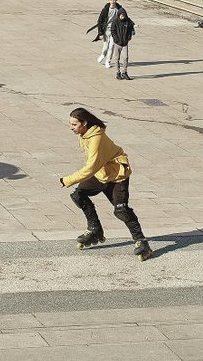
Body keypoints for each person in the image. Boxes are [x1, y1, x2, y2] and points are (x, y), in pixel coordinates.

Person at [60, 107, 153, 261]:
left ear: (84, 122)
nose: (72, 128)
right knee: (79, 195)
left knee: (121, 210)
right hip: (101, 173)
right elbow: (94, 165)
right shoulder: (84, 134)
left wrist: (68, 180)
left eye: (74, 125)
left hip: (117, 176)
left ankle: (142, 242)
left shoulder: (96, 137)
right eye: (71, 124)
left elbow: (90, 167)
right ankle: (94, 228)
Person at [94, 0, 121, 67]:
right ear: (109, 0)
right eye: (111, 0)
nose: (113, 1)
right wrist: (100, 33)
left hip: (114, 30)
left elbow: (125, 18)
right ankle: (103, 54)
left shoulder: (119, 9)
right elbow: (99, 21)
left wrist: (132, 24)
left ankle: (108, 61)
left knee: (111, 46)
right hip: (106, 30)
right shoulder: (105, 10)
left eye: (114, 0)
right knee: (106, 46)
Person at [111, 9, 135, 80]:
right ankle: (118, 72)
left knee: (126, 57)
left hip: (125, 43)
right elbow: (113, 31)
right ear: (119, 15)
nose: (122, 17)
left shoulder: (127, 21)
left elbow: (131, 28)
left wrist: (129, 37)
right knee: (117, 58)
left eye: (124, 15)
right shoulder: (115, 21)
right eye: (121, 15)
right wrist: (116, 39)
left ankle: (124, 72)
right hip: (117, 43)